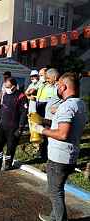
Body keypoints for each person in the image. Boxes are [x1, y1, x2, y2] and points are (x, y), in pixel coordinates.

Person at [31, 73, 88, 221]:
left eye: (58, 85)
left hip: (59, 157)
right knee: (57, 190)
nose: (56, 88)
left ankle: (59, 218)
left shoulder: (67, 106)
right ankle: (54, 216)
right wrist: (45, 121)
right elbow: (64, 126)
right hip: (70, 154)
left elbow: (62, 134)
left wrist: (41, 130)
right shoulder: (80, 104)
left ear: (63, 87)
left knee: (55, 191)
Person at [0, 78, 27, 171]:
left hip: (13, 127)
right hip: (2, 125)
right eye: (5, 86)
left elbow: (24, 114)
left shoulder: (21, 96)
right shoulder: (5, 94)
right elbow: (3, 109)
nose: (6, 88)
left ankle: (8, 163)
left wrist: (20, 128)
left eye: (8, 86)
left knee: (10, 147)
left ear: (14, 86)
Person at [36, 68, 60, 160]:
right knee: (46, 137)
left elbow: (66, 102)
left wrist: (58, 109)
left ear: (54, 77)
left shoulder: (60, 87)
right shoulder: (53, 87)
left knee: (50, 137)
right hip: (48, 118)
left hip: (53, 119)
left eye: (48, 78)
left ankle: (49, 156)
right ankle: (44, 155)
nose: (47, 80)